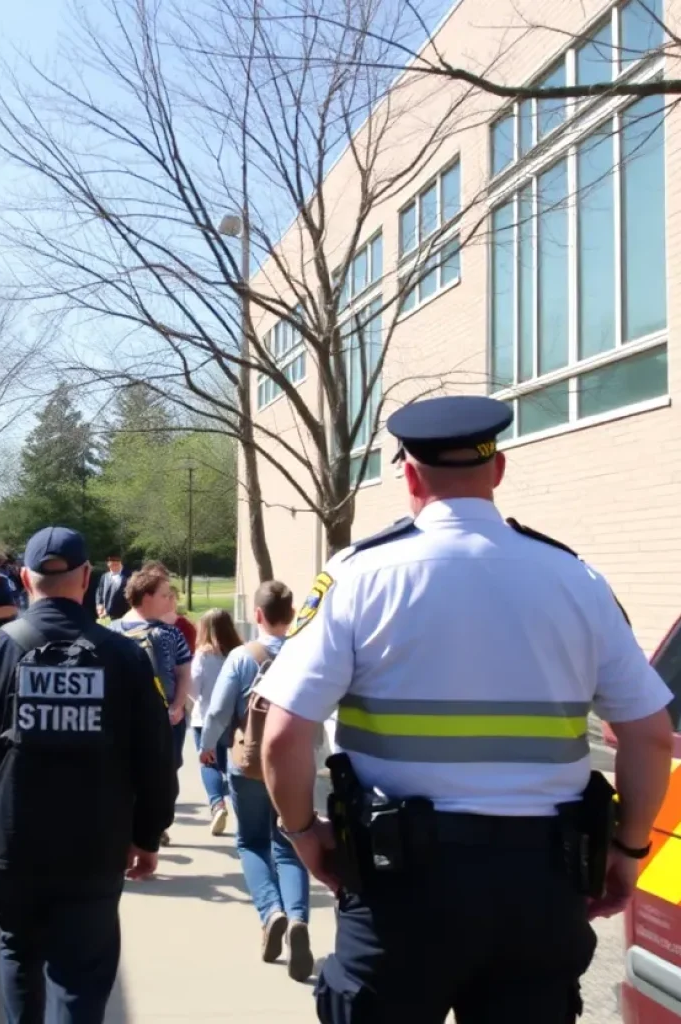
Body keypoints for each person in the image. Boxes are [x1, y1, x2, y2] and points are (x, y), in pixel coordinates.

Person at [252, 395, 676, 1024]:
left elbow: (283, 734)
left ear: (410, 474)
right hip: (542, 886)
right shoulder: (577, 579)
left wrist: (301, 833)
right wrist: (630, 849)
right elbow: (650, 736)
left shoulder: (358, 575)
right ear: (497, 470)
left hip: (400, 889)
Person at [0, 526, 177, 1023]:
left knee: (19, 950)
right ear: (86, 578)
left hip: (12, 842)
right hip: (95, 844)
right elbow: (156, 755)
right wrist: (148, 833)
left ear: (24, 578)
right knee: (82, 971)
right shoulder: (125, 658)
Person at [200, 582, 314, 982]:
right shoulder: (308, 656)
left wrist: (206, 746)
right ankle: (299, 918)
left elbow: (216, 710)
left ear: (259, 615)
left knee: (251, 841)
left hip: (248, 764)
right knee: (290, 844)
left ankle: (272, 912)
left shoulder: (241, 657)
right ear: (292, 612)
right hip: (296, 767)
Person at [108, 565, 192, 843]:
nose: (171, 601)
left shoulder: (111, 632)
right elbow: (183, 673)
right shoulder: (169, 634)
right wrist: (177, 706)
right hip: (160, 718)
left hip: (130, 718)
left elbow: (183, 673)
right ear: (146, 597)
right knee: (161, 773)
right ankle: (151, 826)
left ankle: (143, 824)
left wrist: (179, 705)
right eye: (165, 595)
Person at [190, 608, 243, 835]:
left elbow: (193, 688)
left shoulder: (203, 655)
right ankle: (232, 795)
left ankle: (217, 803)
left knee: (208, 762)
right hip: (232, 719)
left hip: (205, 717)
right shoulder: (240, 652)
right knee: (226, 762)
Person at [96, 554, 130, 621]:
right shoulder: (104, 576)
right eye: (111, 564)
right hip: (106, 612)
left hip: (123, 612)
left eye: (116, 564)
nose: (114, 566)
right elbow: (100, 592)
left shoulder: (128, 576)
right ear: (108, 565)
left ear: (120, 564)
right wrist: (99, 605)